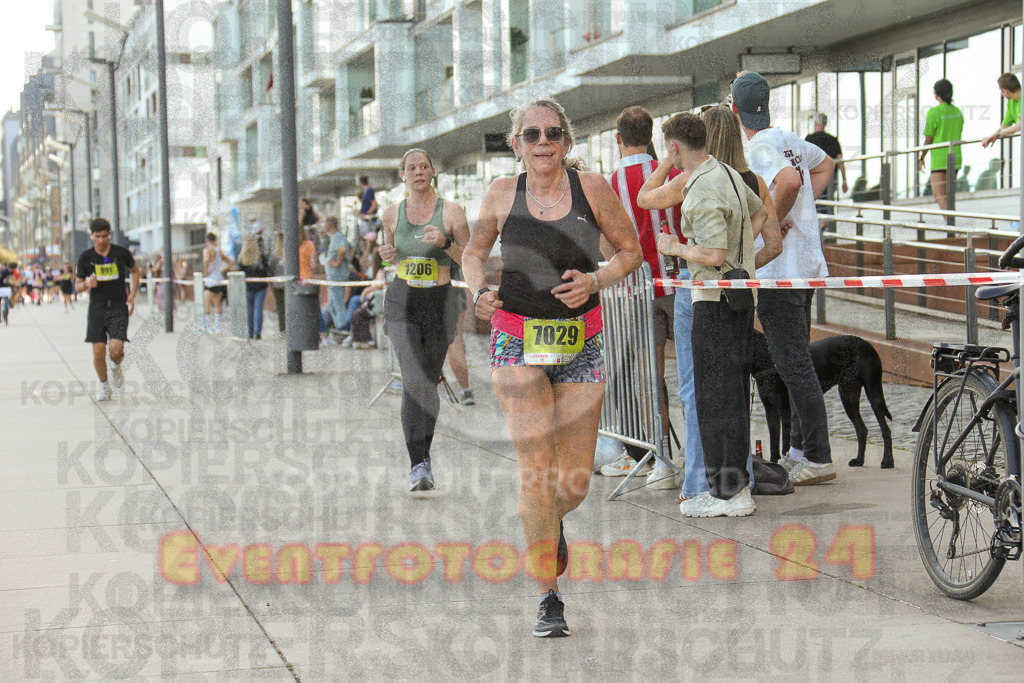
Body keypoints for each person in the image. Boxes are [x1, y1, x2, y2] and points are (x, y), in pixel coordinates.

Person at [462, 98, 642, 638]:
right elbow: (473, 253)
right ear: (516, 144)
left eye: (553, 133)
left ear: (567, 141)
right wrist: (478, 292)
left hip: (580, 342)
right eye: (532, 134)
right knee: (537, 470)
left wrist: (596, 280)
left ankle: (549, 523)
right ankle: (548, 593)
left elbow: (631, 251)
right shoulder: (500, 194)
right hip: (516, 338)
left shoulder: (594, 190)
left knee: (574, 482)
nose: (543, 142)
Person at [640, 104, 783, 504]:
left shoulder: (699, 186)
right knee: (731, 397)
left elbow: (714, 253)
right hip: (740, 297)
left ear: (674, 147)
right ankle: (734, 489)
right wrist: (744, 256)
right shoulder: (732, 177)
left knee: (708, 396)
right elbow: (756, 221)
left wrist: (677, 247)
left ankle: (720, 492)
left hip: (712, 296)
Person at [732, 70, 837, 486]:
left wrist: (771, 218)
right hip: (805, 266)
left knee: (793, 364)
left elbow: (790, 181)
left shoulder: (758, 146)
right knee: (795, 360)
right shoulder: (791, 139)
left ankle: (818, 456)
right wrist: (796, 211)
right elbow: (824, 164)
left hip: (781, 272)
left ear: (736, 110)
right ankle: (798, 449)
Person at [601, 105, 687, 489]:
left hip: (638, 292)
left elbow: (607, 246)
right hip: (681, 283)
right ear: (650, 137)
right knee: (692, 371)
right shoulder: (674, 172)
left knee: (650, 380)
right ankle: (701, 458)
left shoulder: (609, 184)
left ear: (618, 139)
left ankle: (663, 463)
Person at [379, 149, 470, 490]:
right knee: (413, 378)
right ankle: (417, 464)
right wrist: (386, 254)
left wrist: (445, 242)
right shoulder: (391, 214)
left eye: (423, 166)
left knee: (427, 386)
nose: (418, 172)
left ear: (433, 171)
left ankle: (424, 458)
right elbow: (389, 252)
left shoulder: (451, 211)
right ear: (403, 175)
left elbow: (469, 255)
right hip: (402, 299)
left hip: (439, 301)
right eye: (410, 168)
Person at [76, 218, 142, 402]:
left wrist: (133, 295)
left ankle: (115, 366)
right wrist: (87, 284)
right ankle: (105, 386)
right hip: (97, 307)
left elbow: (136, 271)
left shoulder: (120, 253)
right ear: (91, 236)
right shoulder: (85, 257)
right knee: (98, 351)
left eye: (105, 236)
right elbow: (77, 286)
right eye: (97, 236)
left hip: (118, 305)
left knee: (116, 349)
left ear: (109, 235)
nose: (101, 240)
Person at [919, 78, 964, 211]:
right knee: (949, 197)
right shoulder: (957, 112)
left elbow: (929, 138)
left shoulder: (934, 112)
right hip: (955, 157)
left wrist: (922, 157)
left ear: (936, 94)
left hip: (939, 159)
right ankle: (952, 228)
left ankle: (952, 228)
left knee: (939, 196)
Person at [804, 113, 848, 214]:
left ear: (815, 123)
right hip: (832, 177)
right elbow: (840, 161)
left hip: (814, 177)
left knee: (816, 203)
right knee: (829, 202)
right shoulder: (833, 140)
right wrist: (844, 180)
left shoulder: (809, 140)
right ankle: (827, 223)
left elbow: (803, 160)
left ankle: (822, 224)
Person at [322, 216, 350, 341]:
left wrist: (338, 262)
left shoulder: (338, 236)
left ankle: (342, 328)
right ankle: (337, 327)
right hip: (333, 276)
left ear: (329, 224)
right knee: (332, 305)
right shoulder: (335, 237)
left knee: (338, 304)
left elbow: (343, 249)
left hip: (337, 276)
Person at [238, 235, 270, 339]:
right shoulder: (261, 257)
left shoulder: (242, 258)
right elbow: (267, 269)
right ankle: (258, 333)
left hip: (248, 287)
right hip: (261, 286)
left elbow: (240, 271)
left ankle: (250, 332)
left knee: (249, 309)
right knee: (259, 309)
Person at [202, 232, 234, 333]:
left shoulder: (207, 250)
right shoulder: (219, 251)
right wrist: (222, 271)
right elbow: (231, 262)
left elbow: (206, 260)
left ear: (207, 240)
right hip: (219, 280)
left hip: (210, 280)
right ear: (215, 240)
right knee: (217, 305)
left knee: (207, 304)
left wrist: (206, 272)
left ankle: (206, 326)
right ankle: (217, 326)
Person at [981, 73, 1021, 148]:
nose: (1002, 94)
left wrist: (998, 134)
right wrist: (993, 135)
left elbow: (1020, 126)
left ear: (1005, 91)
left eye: (1001, 91)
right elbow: (1004, 126)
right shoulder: (1011, 102)